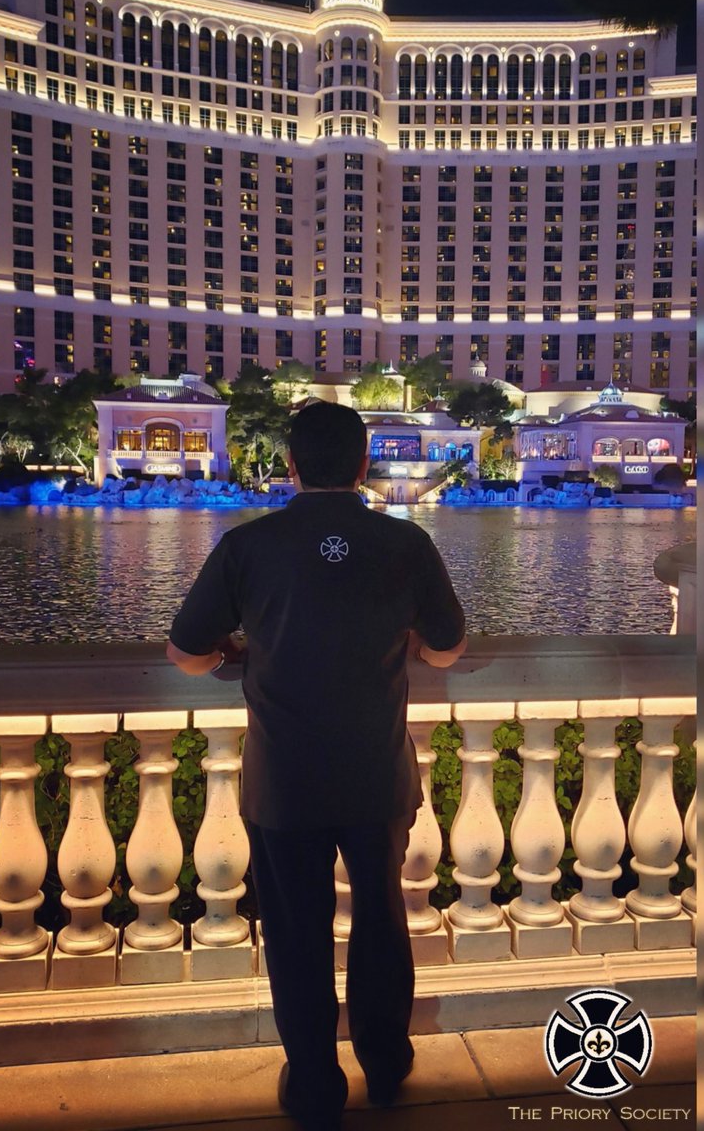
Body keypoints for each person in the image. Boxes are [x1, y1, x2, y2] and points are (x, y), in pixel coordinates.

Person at [167, 401, 466, 1131]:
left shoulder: (249, 545)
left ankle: (313, 1088)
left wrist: (229, 653)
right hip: (375, 773)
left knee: (297, 932)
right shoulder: (405, 542)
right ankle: (386, 1067)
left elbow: (185, 652)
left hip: (285, 779)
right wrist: (412, 646)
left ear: (291, 466)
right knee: (382, 918)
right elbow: (447, 647)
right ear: (364, 465)